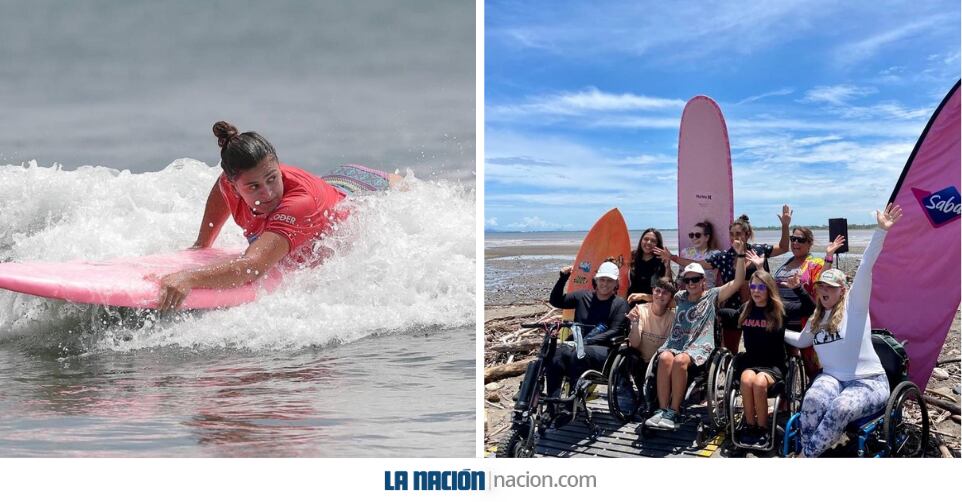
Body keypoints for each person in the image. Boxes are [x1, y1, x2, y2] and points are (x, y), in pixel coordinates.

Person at [156, 121, 383, 311]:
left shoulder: (298, 205)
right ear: (234, 187)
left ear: (277, 166)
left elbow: (253, 267)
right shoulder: (229, 183)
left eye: (273, 178)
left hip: (367, 192)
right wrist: (202, 244)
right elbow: (220, 188)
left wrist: (189, 278)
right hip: (332, 185)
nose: (268, 193)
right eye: (253, 187)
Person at [784, 204, 902, 458]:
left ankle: (805, 456)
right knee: (813, 399)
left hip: (869, 381)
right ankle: (810, 450)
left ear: (842, 290)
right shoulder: (817, 317)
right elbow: (801, 341)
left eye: (830, 287)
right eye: (820, 287)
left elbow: (865, 269)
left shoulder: (854, 306)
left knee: (839, 408)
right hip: (834, 378)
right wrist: (776, 331)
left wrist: (880, 231)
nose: (824, 290)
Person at [644, 240, 747, 431]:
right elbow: (661, 293)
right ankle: (662, 410)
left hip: (700, 344)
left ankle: (674, 412)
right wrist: (642, 299)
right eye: (687, 280)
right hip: (677, 341)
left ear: (703, 281)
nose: (690, 283)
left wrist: (740, 256)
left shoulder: (712, 295)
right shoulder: (680, 296)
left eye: (695, 280)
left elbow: (738, 281)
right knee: (665, 356)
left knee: (681, 360)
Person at [662, 206, 793, 352]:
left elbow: (783, 248)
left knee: (762, 348)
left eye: (738, 233)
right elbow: (700, 264)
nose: (734, 237)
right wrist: (672, 258)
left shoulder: (758, 250)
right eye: (731, 234)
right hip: (733, 308)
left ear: (747, 234)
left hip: (760, 307)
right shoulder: (724, 256)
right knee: (730, 350)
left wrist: (785, 226)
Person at [733, 265, 815, 447]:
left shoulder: (780, 309)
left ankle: (763, 429)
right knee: (746, 380)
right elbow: (728, 315)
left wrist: (798, 289)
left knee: (759, 382)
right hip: (751, 361)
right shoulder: (746, 309)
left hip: (774, 364)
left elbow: (809, 308)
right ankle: (750, 426)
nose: (756, 291)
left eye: (761, 287)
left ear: (769, 289)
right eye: (753, 287)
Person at [546, 261, 630, 402]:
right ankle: (553, 402)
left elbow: (616, 331)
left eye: (610, 281)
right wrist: (562, 278)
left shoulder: (620, 304)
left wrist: (586, 342)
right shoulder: (582, 297)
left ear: (616, 284)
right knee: (554, 356)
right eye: (602, 279)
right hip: (577, 346)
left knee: (578, 354)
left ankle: (572, 402)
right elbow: (555, 301)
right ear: (596, 280)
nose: (605, 283)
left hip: (604, 351)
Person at [774, 227, 846, 377]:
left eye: (800, 240)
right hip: (782, 317)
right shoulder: (787, 262)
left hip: (804, 319)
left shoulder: (814, 262)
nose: (795, 243)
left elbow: (822, 282)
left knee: (811, 367)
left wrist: (829, 256)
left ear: (809, 243)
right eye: (793, 239)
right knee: (782, 367)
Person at [625, 277, 678, 391]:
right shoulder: (639, 310)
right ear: (653, 291)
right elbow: (634, 344)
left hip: (660, 365)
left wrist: (643, 296)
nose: (660, 295)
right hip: (640, 362)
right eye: (657, 291)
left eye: (665, 293)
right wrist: (634, 324)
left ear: (670, 297)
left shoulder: (673, 318)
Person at [626, 228, 673, 305]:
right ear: (641, 240)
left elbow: (667, 288)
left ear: (657, 244)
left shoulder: (660, 261)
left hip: (653, 305)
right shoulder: (632, 257)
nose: (648, 242)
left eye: (653, 241)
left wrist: (667, 266)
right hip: (631, 303)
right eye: (646, 239)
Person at [678, 220, 721, 288]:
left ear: (707, 237)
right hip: (689, 293)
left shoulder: (715, 254)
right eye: (691, 235)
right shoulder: (685, 252)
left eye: (698, 235)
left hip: (708, 293)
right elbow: (680, 277)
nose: (694, 238)